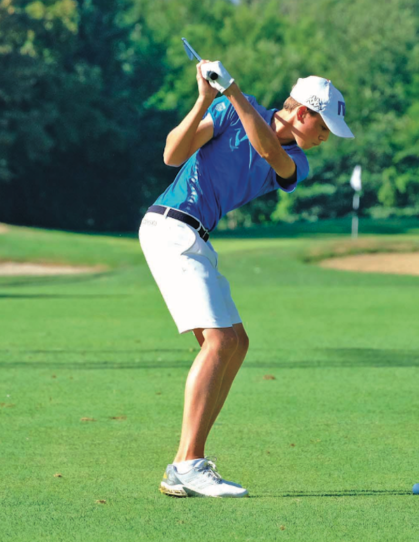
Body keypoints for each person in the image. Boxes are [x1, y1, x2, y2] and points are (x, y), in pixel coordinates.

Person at [139, 58, 354, 498]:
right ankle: (187, 464)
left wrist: (233, 92)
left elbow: (268, 152)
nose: (324, 137)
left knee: (237, 342)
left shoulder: (295, 160)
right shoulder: (223, 112)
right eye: (324, 127)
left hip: (195, 236)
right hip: (170, 227)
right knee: (219, 342)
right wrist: (204, 99)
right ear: (303, 113)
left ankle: (189, 460)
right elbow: (171, 154)